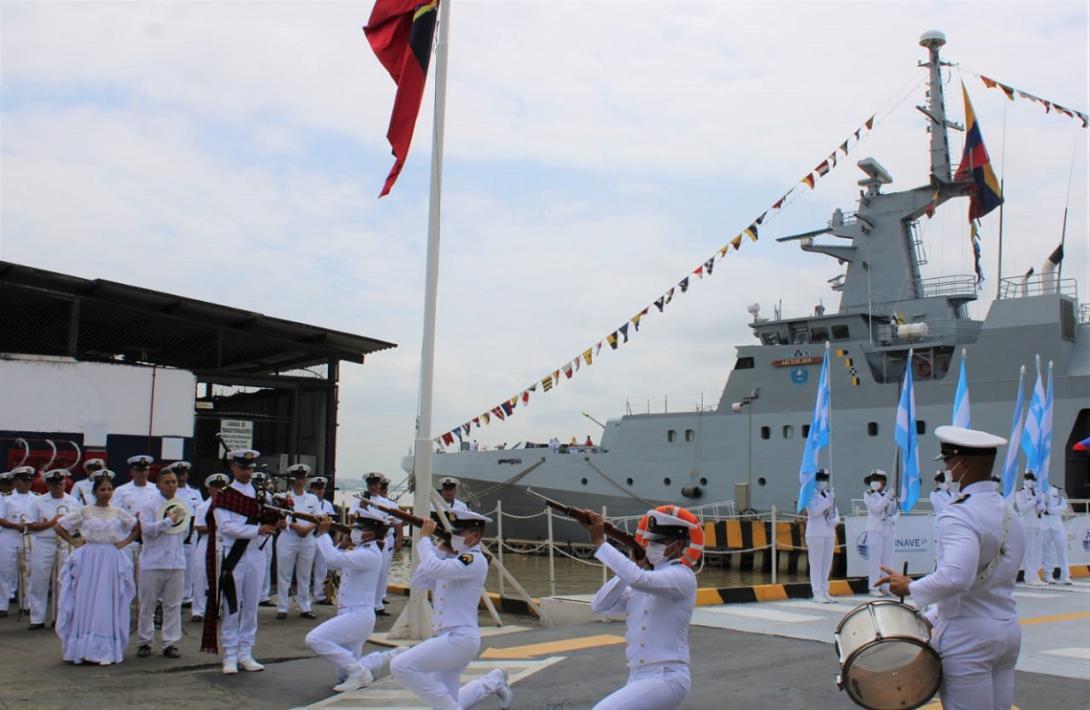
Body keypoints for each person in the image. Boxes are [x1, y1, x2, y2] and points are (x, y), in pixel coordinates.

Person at [876, 425, 1025, 710]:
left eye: (948, 461)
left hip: (969, 637)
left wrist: (910, 586)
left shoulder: (959, 512)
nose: (947, 468)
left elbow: (958, 576)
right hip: (1006, 629)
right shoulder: (1008, 512)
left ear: (962, 464)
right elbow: (989, 579)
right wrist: (933, 615)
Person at [389, 510, 513, 710]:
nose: (455, 537)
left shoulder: (473, 559)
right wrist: (440, 548)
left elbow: (434, 569)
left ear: (475, 536)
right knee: (446, 700)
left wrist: (425, 539)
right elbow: (419, 581)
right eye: (453, 533)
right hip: (447, 636)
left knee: (401, 666)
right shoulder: (452, 560)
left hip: (460, 638)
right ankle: (492, 681)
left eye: (460, 533)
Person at [584, 508, 698, 710]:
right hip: (638, 675)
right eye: (650, 542)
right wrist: (629, 566)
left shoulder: (682, 577)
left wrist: (601, 543)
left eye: (658, 542)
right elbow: (600, 605)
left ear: (678, 544)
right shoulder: (644, 583)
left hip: (667, 675)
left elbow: (639, 579)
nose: (650, 546)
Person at [202, 449, 287, 674]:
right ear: (233, 468)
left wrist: (278, 523)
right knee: (231, 604)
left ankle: (246, 652)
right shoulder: (225, 495)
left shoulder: (262, 494)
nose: (246, 471)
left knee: (251, 606)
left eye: (249, 468)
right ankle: (229, 654)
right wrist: (256, 529)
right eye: (242, 467)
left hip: (256, 553)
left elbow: (271, 515)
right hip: (234, 555)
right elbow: (225, 526)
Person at [53, 471, 140, 665]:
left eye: (109, 489)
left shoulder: (118, 512)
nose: (106, 492)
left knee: (106, 600)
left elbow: (136, 527)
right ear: (95, 491)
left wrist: (124, 542)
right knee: (86, 598)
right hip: (89, 557)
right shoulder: (85, 511)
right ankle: (82, 648)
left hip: (110, 557)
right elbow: (59, 526)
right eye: (102, 489)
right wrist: (74, 542)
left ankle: (103, 649)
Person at [305, 508, 390, 692]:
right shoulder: (361, 550)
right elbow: (336, 559)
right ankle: (386, 658)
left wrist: (323, 533)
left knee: (315, 639)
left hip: (358, 616)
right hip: (351, 613)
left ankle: (359, 671)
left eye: (358, 528)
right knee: (344, 676)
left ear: (370, 533)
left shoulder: (370, 554)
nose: (354, 531)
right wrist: (342, 544)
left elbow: (331, 559)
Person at [135, 467, 188, 659]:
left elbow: (185, 532)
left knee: (173, 605)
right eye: (167, 482)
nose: (172, 485)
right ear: (158, 485)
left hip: (176, 561)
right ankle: (145, 641)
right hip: (154, 561)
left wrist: (175, 523)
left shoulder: (182, 504)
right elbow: (147, 530)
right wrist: (167, 521)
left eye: (174, 482)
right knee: (148, 604)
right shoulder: (150, 505)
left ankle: (170, 642)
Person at [25, 468, 78, 630]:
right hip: (44, 542)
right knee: (39, 580)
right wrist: (51, 523)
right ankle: (37, 618)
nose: (58, 487)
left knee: (63, 582)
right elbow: (30, 525)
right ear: (48, 485)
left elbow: (78, 525)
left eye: (61, 484)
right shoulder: (38, 502)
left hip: (65, 543)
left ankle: (60, 617)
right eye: (54, 484)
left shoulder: (72, 502)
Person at [276, 463, 321, 620]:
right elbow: (281, 517)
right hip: (289, 537)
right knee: (284, 573)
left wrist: (307, 529)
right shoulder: (283, 497)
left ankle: (305, 606)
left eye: (303, 477)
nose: (300, 481)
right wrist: (296, 526)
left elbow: (318, 518)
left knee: (305, 573)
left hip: (307, 538)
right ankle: (282, 607)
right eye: (297, 477)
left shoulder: (312, 498)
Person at [0, 465, 39, 616]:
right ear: (16, 482)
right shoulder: (6, 498)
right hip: (9, 536)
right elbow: (1, 518)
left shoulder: (36, 498)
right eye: (24, 480)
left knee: (28, 571)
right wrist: (16, 525)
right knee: (5, 571)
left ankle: (27, 604)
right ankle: (2, 605)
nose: (27, 483)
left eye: (29, 480)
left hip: (29, 536)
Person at [190, 473, 229, 623]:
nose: (218, 490)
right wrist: (216, 526)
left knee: (222, 577)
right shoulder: (203, 506)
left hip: (224, 541)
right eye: (215, 487)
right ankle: (198, 610)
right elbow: (199, 528)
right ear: (209, 489)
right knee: (200, 575)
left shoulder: (229, 505)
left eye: (221, 487)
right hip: (207, 541)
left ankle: (218, 608)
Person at [166, 461, 203, 607]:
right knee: (172, 563)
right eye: (179, 474)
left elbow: (200, 511)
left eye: (184, 474)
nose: (182, 477)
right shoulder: (170, 492)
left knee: (189, 564)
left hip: (191, 533)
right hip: (173, 531)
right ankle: (173, 595)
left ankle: (187, 596)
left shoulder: (194, 492)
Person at [113, 455, 159, 567]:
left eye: (145, 470)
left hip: (149, 538)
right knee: (127, 571)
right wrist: (133, 522)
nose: (142, 473)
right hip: (128, 537)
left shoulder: (156, 490)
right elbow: (115, 513)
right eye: (139, 470)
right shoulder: (121, 490)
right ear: (132, 471)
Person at [805, 470, 838, 603]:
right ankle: (816, 592)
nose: (822, 481)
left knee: (826, 564)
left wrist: (835, 520)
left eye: (824, 479)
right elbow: (813, 511)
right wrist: (827, 501)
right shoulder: (808, 494)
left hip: (829, 532)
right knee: (816, 564)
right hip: (815, 533)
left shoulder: (828, 494)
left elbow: (835, 511)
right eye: (820, 479)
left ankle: (825, 591)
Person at [864, 469, 897, 597]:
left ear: (883, 481)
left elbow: (896, 511)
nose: (874, 482)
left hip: (888, 529)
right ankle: (874, 587)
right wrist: (887, 498)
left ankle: (886, 586)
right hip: (875, 529)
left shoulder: (890, 494)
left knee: (888, 559)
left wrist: (892, 518)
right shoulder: (868, 494)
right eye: (873, 479)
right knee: (875, 560)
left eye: (877, 479)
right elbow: (876, 509)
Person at [1012, 471, 1044, 585]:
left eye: (1032, 479)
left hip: (1037, 523)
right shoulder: (1020, 492)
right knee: (1029, 551)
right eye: (1028, 478)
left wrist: (1040, 504)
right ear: (1025, 480)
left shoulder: (1036, 492)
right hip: (1027, 524)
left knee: (1037, 551)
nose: (1030, 481)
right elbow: (1022, 508)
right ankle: (1029, 576)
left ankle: (1035, 575)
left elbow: (1040, 510)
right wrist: (1034, 501)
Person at [310, 476, 336, 606]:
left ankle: (320, 595)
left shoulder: (327, 505)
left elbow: (332, 523)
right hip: (309, 536)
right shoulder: (308, 502)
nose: (319, 491)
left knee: (322, 566)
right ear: (312, 489)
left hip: (321, 536)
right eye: (317, 489)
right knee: (305, 567)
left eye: (321, 489)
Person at [251, 469, 276, 606]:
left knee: (266, 562)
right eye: (257, 482)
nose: (260, 485)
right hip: (254, 532)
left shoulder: (269, 496)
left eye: (261, 482)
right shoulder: (249, 495)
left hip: (267, 532)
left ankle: (264, 595)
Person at [1040, 483, 1072, 585]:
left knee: (1062, 551)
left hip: (1057, 525)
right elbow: (1039, 507)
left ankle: (1066, 575)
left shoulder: (1057, 491)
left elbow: (1064, 506)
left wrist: (1052, 510)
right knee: (1046, 552)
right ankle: (1048, 575)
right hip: (1044, 524)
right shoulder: (1039, 491)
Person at [930, 469, 955, 565]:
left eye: (943, 480)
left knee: (951, 555)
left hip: (953, 527)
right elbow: (945, 508)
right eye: (940, 480)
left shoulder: (953, 493)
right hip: (941, 527)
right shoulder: (935, 494)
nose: (942, 482)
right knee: (941, 556)